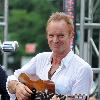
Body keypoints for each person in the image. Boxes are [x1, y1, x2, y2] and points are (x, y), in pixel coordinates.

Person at [6, 12, 93, 100]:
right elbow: (12, 78)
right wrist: (17, 86)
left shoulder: (82, 69)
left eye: (61, 36)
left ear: (71, 35)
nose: (55, 40)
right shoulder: (40, 58)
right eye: (51, 35)